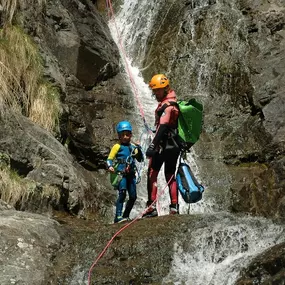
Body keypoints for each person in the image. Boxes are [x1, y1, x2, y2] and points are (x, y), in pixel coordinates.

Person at [143, 74, 181, 217]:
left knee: (153, 172)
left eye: (158, 91)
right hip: (174, 145)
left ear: (165, 89)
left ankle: (151, 207)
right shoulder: (173, 102)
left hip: (164, 144)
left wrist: (153, 146)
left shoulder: (167, 106)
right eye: (154, 91)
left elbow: (163, 126)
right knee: (170, 173)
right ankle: (174, 207)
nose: (155, 94)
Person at [107, 121, 144, 223]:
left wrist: (139, 149)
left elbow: (140, 159)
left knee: (133, 196)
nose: (125, 137)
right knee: (122, 193)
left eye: (127, 134)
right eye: (122, 135)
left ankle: (126, 215)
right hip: (121, 174)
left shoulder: (133, 147)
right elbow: (109, 159)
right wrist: (110, 166)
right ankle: (118, 216)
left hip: (131, 175)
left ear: (131, 135)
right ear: (119, 136)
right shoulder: (117, 146)